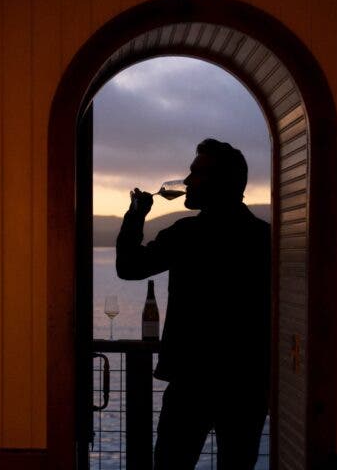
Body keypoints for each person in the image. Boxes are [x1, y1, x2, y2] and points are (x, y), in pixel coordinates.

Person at [116, 138, 270, 469]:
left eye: (196, 173)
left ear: (220, 182)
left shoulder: (187, 234)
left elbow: (129, 267)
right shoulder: (265, 237)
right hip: (247, 383)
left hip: (191, 381)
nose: (186, 182)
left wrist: (135, 214)